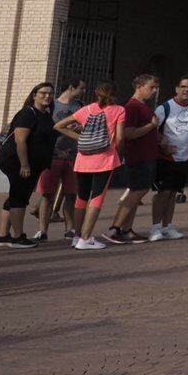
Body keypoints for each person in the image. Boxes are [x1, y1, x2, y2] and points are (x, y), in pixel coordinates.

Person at [61, 84, 126, 250]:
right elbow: (119, 138)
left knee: (81, 197)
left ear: (96, 94)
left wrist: (79, 138)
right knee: (96, 198)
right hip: (105, 159)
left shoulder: (87, 109)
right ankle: (86, 237)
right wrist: (119, 153)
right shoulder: (118, 110)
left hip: (83, 159)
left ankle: (77, 236)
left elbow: (59, 126)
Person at [0, 82, 56, 248]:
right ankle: (17, 237)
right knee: (19, 197)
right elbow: (20, 140)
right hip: (17, 161)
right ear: (34, 95)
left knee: (16, 195)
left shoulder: (46, 114)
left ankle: (2, 236)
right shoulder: (27, 113)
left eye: (50, 93)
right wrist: (25, 165)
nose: (47, 96)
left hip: (33, 163)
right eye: (43, 93)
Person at [103, 74, 162, 245]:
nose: (154, 91)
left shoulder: (144, 107)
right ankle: (115, 228)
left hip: (148, 155)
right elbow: (128, 133)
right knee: (137, 191)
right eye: (151, 87)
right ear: (139, 87)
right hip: (138, 156)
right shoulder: (132, 107)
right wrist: (151, 126)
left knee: (139, 192)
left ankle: (127, 230)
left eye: (156, 87)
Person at [151, 78, 188, 240]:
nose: (186, 90)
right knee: (163, 193)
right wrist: (163, 143)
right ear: (176, 88)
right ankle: (155, 227)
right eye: (183, 87)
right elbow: (153, 129)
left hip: (184, 157)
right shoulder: (165, 108)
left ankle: (168, 226)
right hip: (166, 158)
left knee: (173, 192)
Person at [34, 78, 87, 240]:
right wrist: (56, 147)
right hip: (52, 156)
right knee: (47, 194)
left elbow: (88, 126)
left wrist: (81, 127)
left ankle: (70, 229)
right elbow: (44, 131)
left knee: (71, 194)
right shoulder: (51, 106)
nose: (84, 91)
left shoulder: (81, 106)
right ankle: (42, 230)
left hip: (74, 156)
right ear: (71, 87)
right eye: (81, 88)